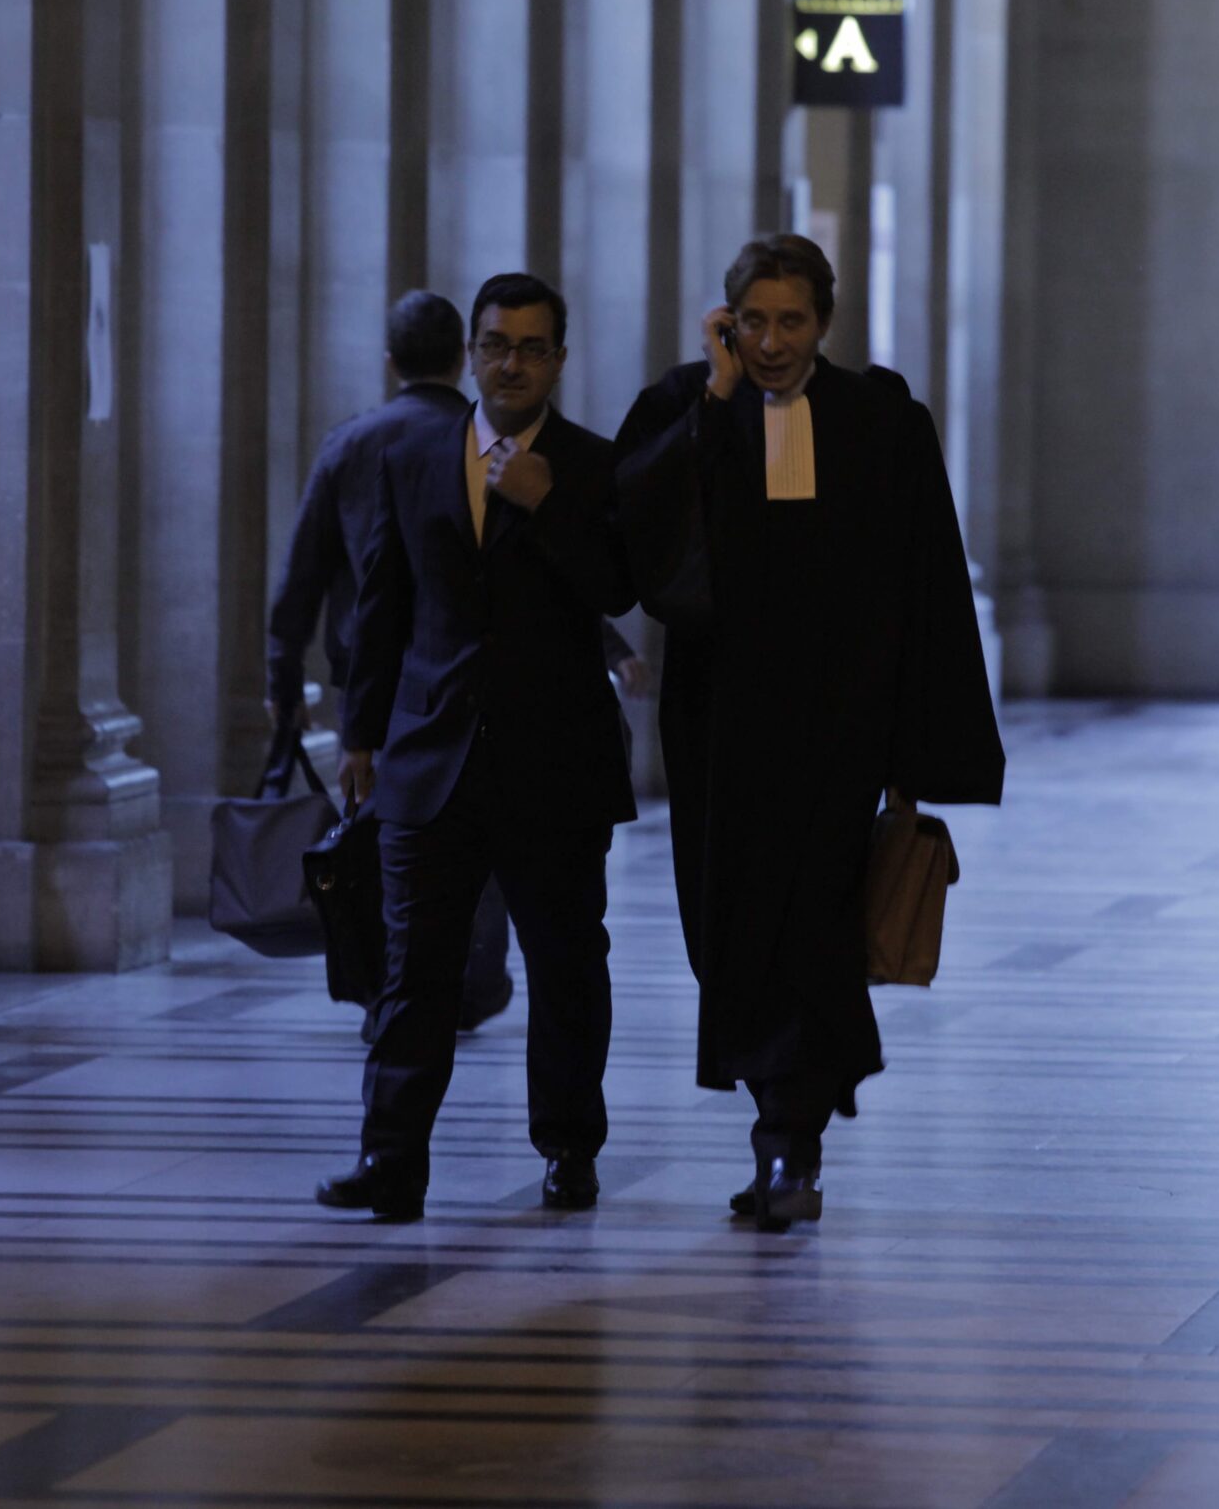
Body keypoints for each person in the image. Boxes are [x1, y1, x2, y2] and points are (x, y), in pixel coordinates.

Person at [613, 234, 1003, 1231]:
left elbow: (927, 586)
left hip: (838, 729)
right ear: (726, 322)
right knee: (725, 935)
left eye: (791, 322)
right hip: (717, 728)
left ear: (823, 323)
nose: (772, 342)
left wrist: (916, 752)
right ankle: (782, 1122)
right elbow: (633, 546)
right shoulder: (686, 407)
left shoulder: (878, 422)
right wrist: (714, 401)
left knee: (814, 934)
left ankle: (788, 1143)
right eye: (753, 321)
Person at [316, 273, 637, 1222]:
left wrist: (549, 505)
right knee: (413, 968)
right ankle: (390, 1160)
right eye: (496, 345)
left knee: (566, 966)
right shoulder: (413, 455)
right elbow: (382, 602)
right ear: (470, 354)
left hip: (555, 763)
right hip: (431, 756)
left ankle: (569, 1149)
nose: (512, 364)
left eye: (532, 348)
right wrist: (360, 732)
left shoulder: (592, 464)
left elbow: (619, 588)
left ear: (559, 360)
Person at [263, 291, 514, 1037]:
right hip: (468, 676)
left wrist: (284, 678)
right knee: (480, 831)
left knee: (381, 839)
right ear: (463, 357)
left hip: (373, 685)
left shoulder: (349, 443)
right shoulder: (489, 443)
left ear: (390, 361)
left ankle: (389, 988)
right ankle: (473, 977)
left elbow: (303, 574)